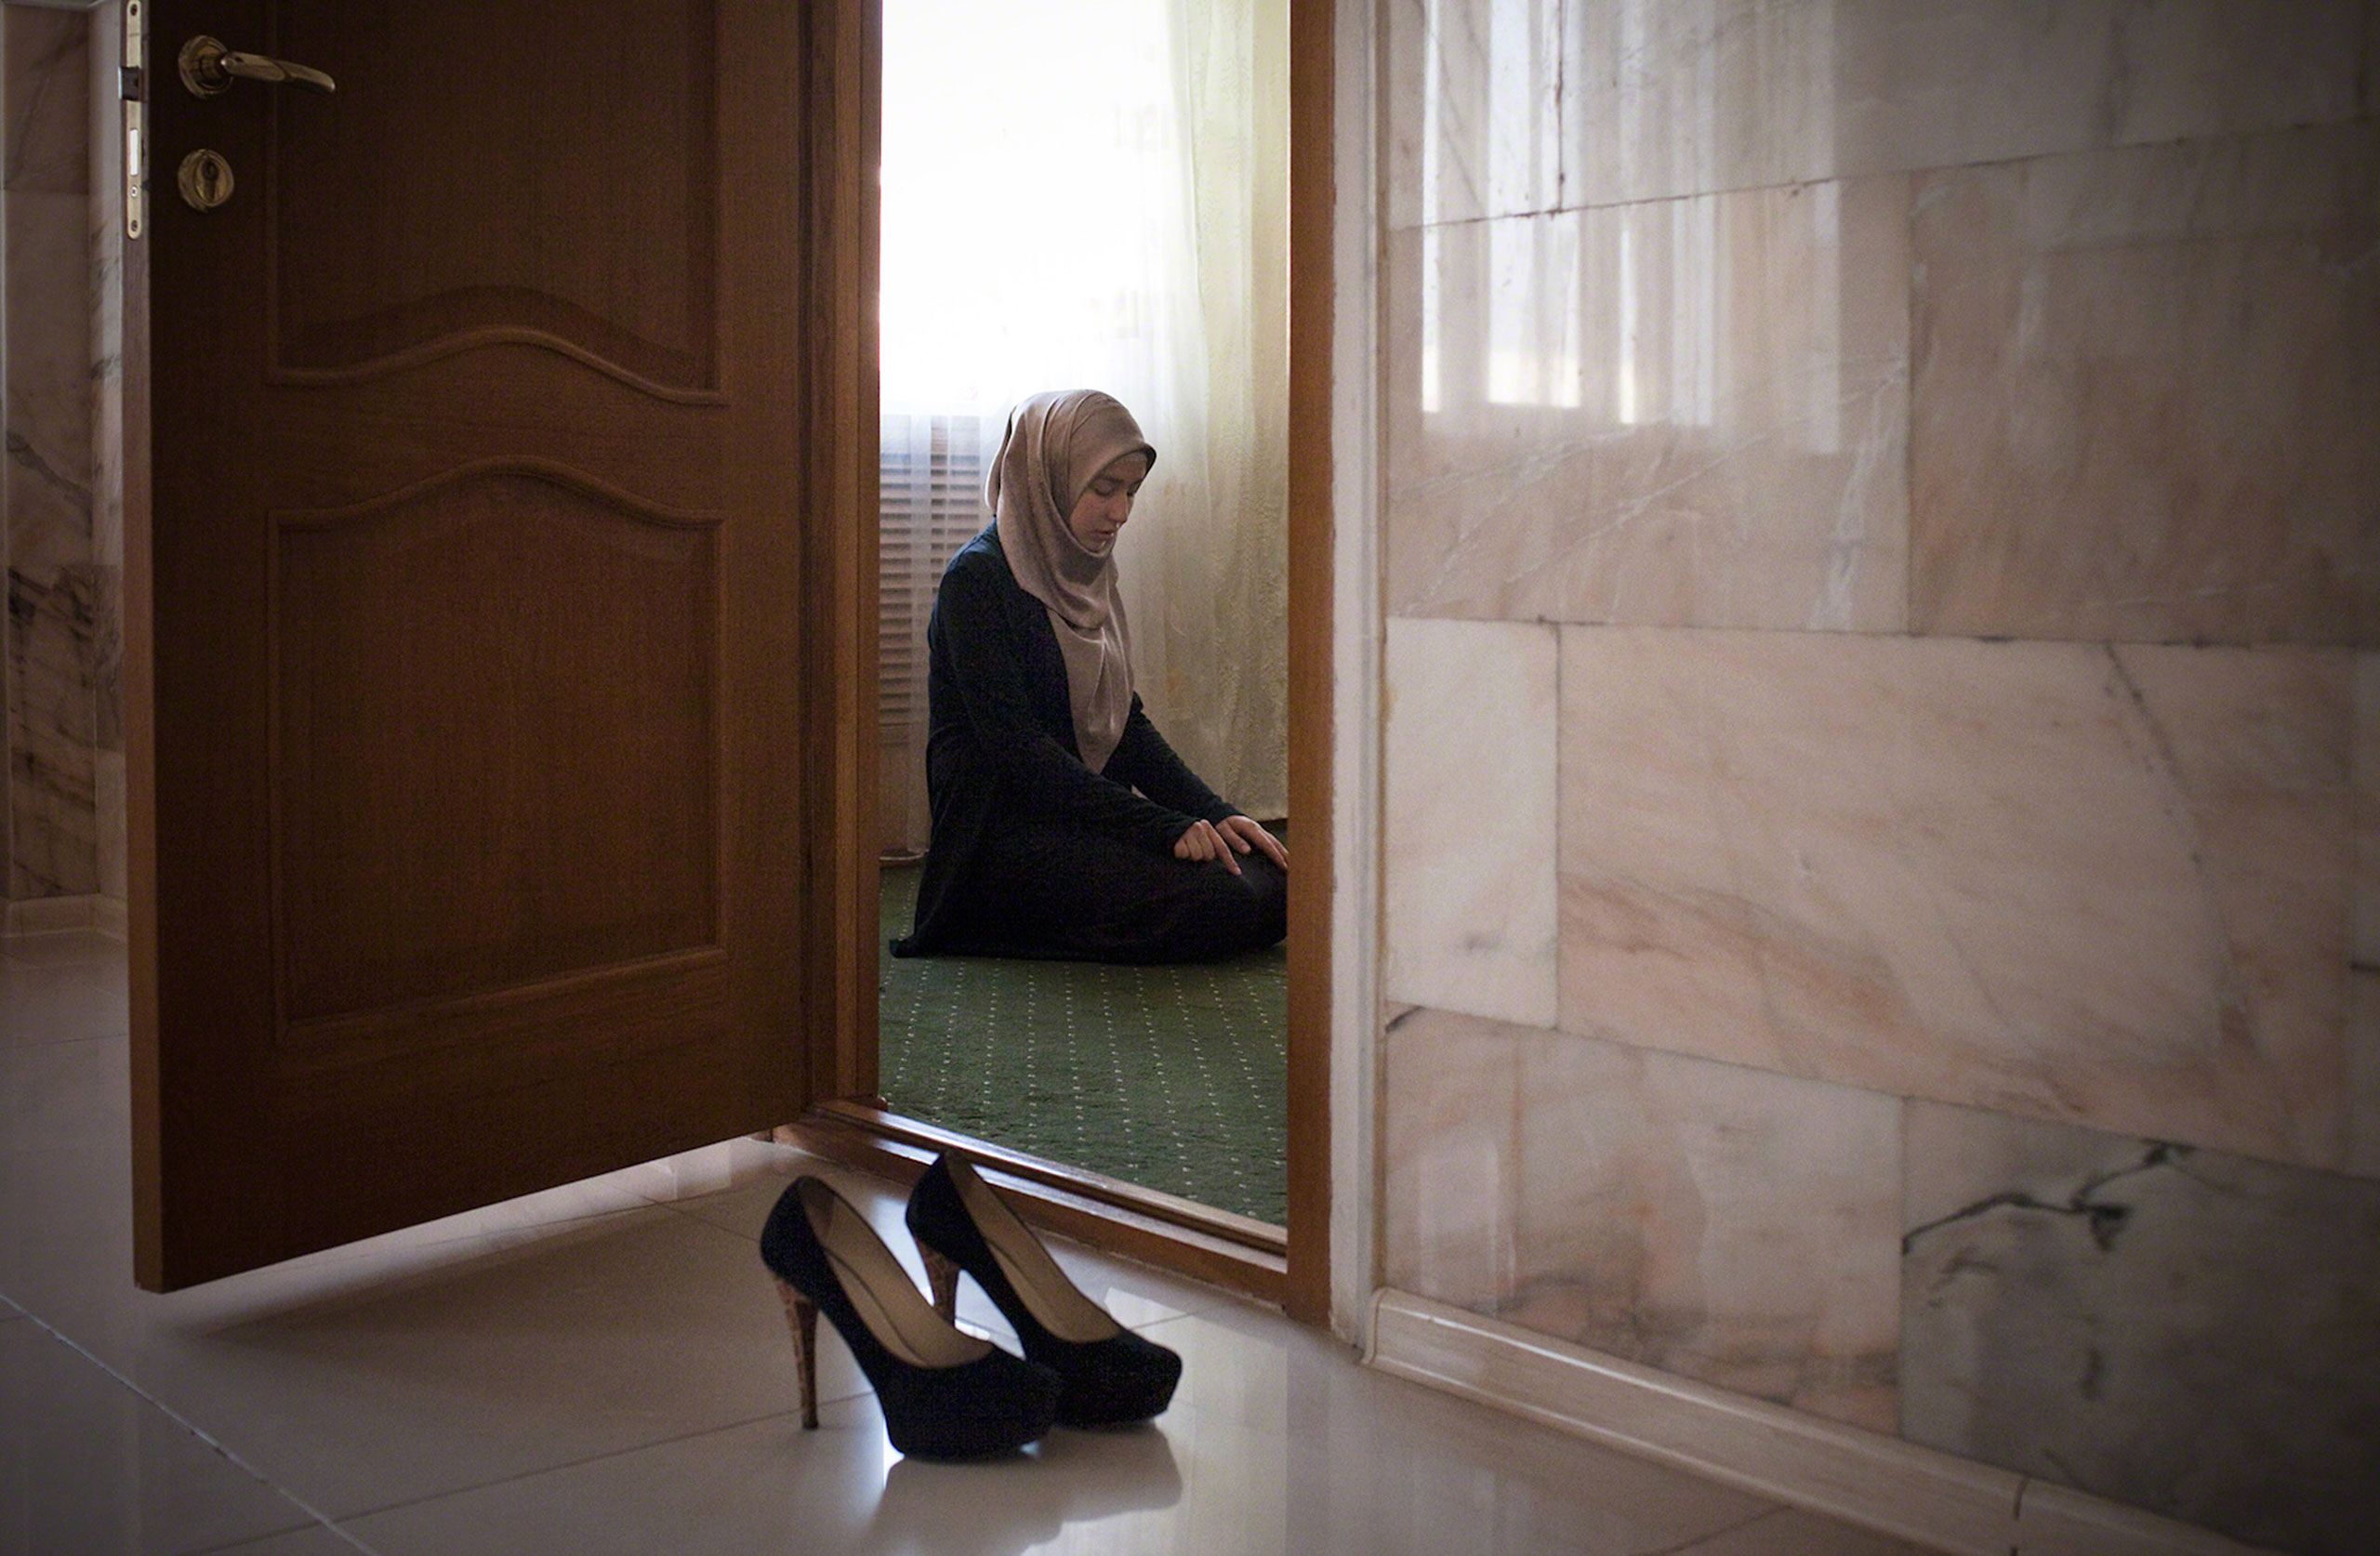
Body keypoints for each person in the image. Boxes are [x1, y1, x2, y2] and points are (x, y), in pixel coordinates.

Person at [892, 389, 1288, 963]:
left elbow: (1123, 725)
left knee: (1274, 880)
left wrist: (1217, 812)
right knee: (1221, 897)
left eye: (1130, 492)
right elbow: (1020, 753)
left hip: (1081, 816)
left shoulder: (1084, 571)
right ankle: (992, 916)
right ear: (1048, 477)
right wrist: (1160, 827)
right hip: (1002, 836)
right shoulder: (976, 583)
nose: (1120, 512)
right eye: (1104, 490)